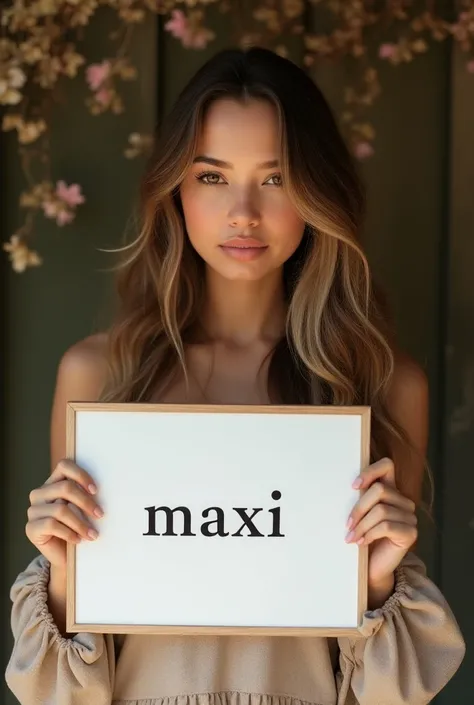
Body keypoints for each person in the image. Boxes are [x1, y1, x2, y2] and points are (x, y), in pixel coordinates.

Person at [5, 47, 465, 705]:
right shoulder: (97, 377)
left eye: (275, 178)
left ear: (316, 191)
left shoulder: (384, 385)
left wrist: (376, 584)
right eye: (212, 177)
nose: (243, 212)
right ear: (175, 188)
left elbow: (381, 694)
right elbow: (71, 680)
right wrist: (58, 569)